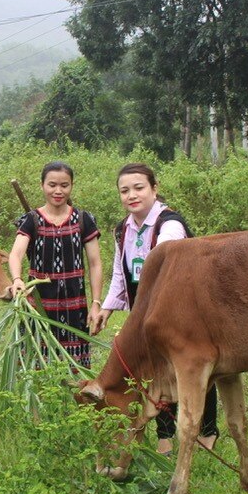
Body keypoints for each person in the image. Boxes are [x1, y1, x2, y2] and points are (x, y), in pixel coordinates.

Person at [91, 162, 219, 455]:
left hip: (180, 306)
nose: (131, 195)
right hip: (145, 309)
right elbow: (120, 274)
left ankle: (208, 431)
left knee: (194, 365)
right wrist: (107, 309)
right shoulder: (123, 229)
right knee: (155, 370)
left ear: (154, 189)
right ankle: (165, 434)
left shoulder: (169, 225)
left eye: (139, 188)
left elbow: (164, 273)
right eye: (125, 191)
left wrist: (143, 315)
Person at [7, 161, 104, 369]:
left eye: (64, 185)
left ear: (71, 186)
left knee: (74, 369)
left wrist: (96, 303)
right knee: (37, 367)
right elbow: (15, 255)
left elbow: (95, 264)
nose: (58, 191)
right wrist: (17, 279)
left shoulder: (83, 219)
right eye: (52, 185)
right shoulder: (31, 220)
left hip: (74, 305)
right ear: (42, 185)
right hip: (39, 306)